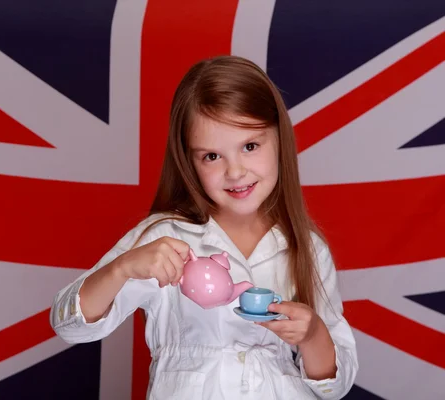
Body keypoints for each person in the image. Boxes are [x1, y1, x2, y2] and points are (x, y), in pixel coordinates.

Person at [50, 55, 358, 399]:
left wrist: (313, 334)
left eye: (251, 146)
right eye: (212, 156)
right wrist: (122, 268)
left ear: (280, 141)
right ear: (189, 161)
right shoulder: (164, 239)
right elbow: (69, 325)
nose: (235, 171)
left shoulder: (308, 249)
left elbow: (334, 386)